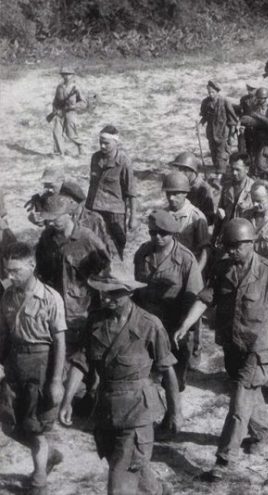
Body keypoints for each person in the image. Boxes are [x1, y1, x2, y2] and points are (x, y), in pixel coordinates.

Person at [172, 219, 268, 481]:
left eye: (236, 246)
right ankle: (265, 430)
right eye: (228, 246)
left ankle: (225, 460)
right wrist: (185, 324)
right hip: (233, 344)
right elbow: (205, 298)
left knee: (240, 398)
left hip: (259, 345)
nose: (231, 251)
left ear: (251, 243)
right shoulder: (223, 268)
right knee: (248, 392)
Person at [59, 268, 181, 495]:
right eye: (102, 292)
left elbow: (168, 370)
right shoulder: (95, 322)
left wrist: (174, 411)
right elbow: (80, 362)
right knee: (129, 466)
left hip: (137, 412)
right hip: (105, 411)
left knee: (119, 486)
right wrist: (67, 400)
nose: (105, 298)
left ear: (129, 292)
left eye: (113, 293)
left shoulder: (149, 325)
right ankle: (158, 491)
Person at [0, 242, 66, 495]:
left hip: (42, 364)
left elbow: (60, 340)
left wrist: (56, 381)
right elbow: (3, 335)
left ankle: (39, 480)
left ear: (32, 265)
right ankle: (48, 454)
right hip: (14, 362)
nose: (9, 276)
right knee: (9, 424)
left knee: (36, 426)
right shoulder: (7, 296)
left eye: (15, 270)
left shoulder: (50, 298)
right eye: (7, 271)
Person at [133, 210, 203, 396]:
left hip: (174, 325)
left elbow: (194, 295)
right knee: (144, 375)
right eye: (153, 232)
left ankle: (172, 414)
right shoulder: (143, 253)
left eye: (163, 233)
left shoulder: (186, 259)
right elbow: (138, 288)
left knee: (173, 377)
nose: (157, 237)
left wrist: (186, 328)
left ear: (173, 233)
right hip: (147, 323)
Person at [35, 194, 111, 354]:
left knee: (85, 352)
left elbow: (104, 271)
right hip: (54, 305)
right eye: (48, 218)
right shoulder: (46, 237)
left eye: (55, 218)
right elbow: (41, 270)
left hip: (82, 309)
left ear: (69, 214)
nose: (50, 222)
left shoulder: (87, 238)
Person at [85, 125, 137, 260]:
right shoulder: (95, 158)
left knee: (117, 245)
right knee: (95, 243)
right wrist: (87, 208)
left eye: (106, 143)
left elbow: (131, 192)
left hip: (115, 212)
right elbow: (92, 185)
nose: (102, 146)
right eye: (100, 142)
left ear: (116, 143)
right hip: (95, 209)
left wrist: (133, 217)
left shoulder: (123, 161)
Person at [162, 172, 210, 271]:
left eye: (175, 194)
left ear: (185, 193)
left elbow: (205, 250)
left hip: (189, 268)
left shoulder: (196, 217)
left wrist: (196, 273)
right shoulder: (163, 215)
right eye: (168, 193)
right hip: (168, 268)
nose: (171, 198)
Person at [200, 80, 238, 176]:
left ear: (217, 91)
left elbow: (232, 119)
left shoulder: (225, 102)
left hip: (223, 132)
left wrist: (232, 134)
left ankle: (221, 173)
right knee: (213, 151)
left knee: (221, 153)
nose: (211, 94)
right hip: (211, 132)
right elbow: (204, 117)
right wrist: (199, 124)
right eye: (209, 92)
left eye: (213, 92)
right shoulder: (205, 102)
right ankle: (218, 169)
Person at [213, 153, 254, 243]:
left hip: (245, 237)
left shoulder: (254, 190)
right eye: (232, 169)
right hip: (227, 233)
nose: (234, 173)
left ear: (247, 169)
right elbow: (220, 216)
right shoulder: (227, 186)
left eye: (238, 170)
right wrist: (213, 240)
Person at [169, 151, 218, 225]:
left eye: (185, 169)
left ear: (193, 170)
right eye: (180, 169)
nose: (181, 173)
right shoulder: (179, 184)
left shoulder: (204, 189)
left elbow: (209, 219)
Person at [50, 65, 84, 156]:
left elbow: (83, 102)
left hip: (70, 112)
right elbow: (55, 100)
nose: (66, 76)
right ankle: (60, 153)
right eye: (64, 74)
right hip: (59, 112)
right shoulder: (59, 87)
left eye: (68, 74)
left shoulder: (76, 87)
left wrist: (74, 106)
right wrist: (54, 110)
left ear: (72, 75)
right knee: (56, 132)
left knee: (71, 134)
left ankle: (80, 145)